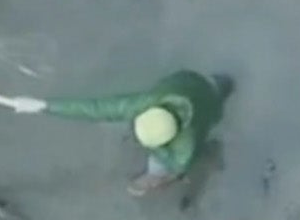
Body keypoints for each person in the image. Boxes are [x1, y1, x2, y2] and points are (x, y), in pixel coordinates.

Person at [21, 70, 234, 196]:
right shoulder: (149, 102)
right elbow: (95, 108)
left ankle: (153, 179)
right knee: (212, 93)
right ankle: (220, 86)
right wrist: (44, 106)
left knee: (161, 167)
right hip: (199, 90)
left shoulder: (183, 151)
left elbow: (178, 167)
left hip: (197, 101)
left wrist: (168, 168)